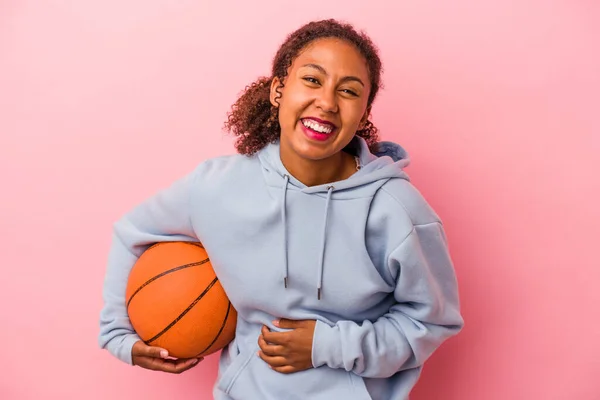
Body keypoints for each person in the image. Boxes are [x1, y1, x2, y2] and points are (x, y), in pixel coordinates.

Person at [99, 19, 464, 400]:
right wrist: (118, 335)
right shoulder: (217, 186)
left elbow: (432, 320)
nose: (327, 102)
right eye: (312, 80)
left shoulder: (396, 210)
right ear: (278, 90)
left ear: (363, 113)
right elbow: (132, 232)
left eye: (349, 91)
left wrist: (330, 346)